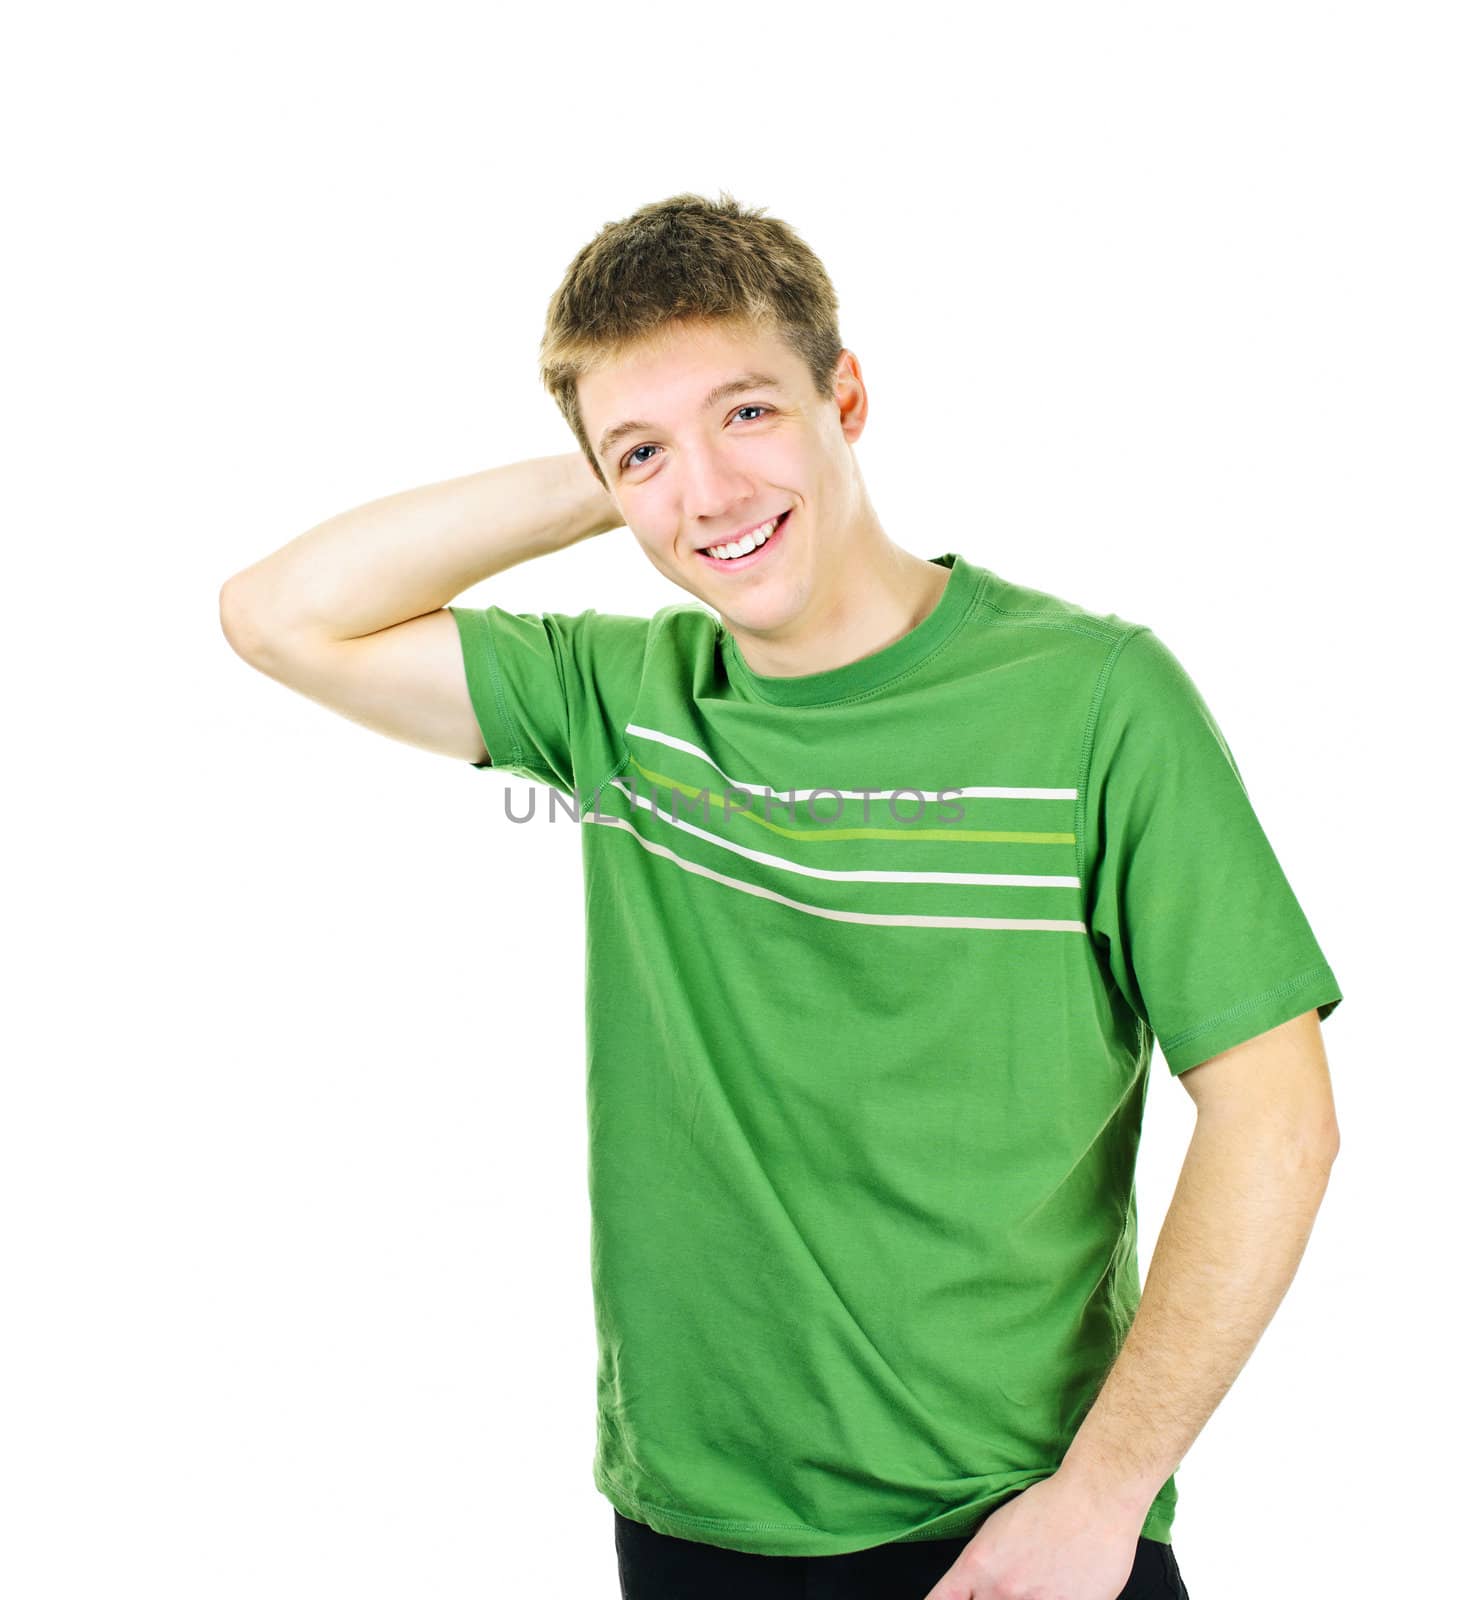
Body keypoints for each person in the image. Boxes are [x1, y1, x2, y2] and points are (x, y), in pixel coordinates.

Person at [219, 191, 1343, 1600]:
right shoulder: (621, 701)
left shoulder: (1096, 699)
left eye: (748, 414)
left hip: (1010, 1532)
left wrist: (1100, 1498)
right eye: (645, 453)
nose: (710, 493)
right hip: (692, 1534)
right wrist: (618, 461)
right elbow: (279, 615)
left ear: (845, 395)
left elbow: (1276, 1112)